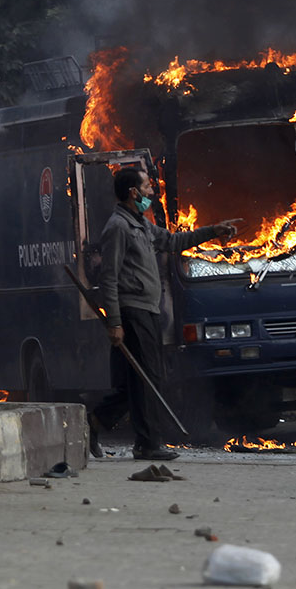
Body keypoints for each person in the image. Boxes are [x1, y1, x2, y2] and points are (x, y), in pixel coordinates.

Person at [88, 167, 237, 461]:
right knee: (149, 378)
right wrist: (115, 322)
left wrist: (213, 231)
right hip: (133, 311)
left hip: (149, 310)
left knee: (140, 378)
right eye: (147, 187)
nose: (151, 192)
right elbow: (108, 277)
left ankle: (95, 422)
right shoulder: (118, 227)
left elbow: (172, 242)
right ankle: (146, 444)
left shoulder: (140, 225)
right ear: (133, 192)